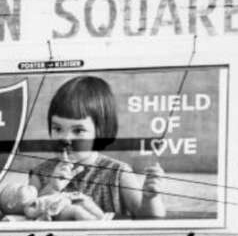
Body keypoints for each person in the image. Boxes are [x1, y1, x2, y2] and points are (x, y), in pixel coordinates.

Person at [9, 75, 166, 221]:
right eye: (58, 129)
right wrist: (52, 187)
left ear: (100, 131)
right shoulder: (41, 174)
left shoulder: (118, 173)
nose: (66, 139)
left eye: (78, 130)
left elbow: (148, 218)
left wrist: (150, 198)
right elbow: (27, 214)